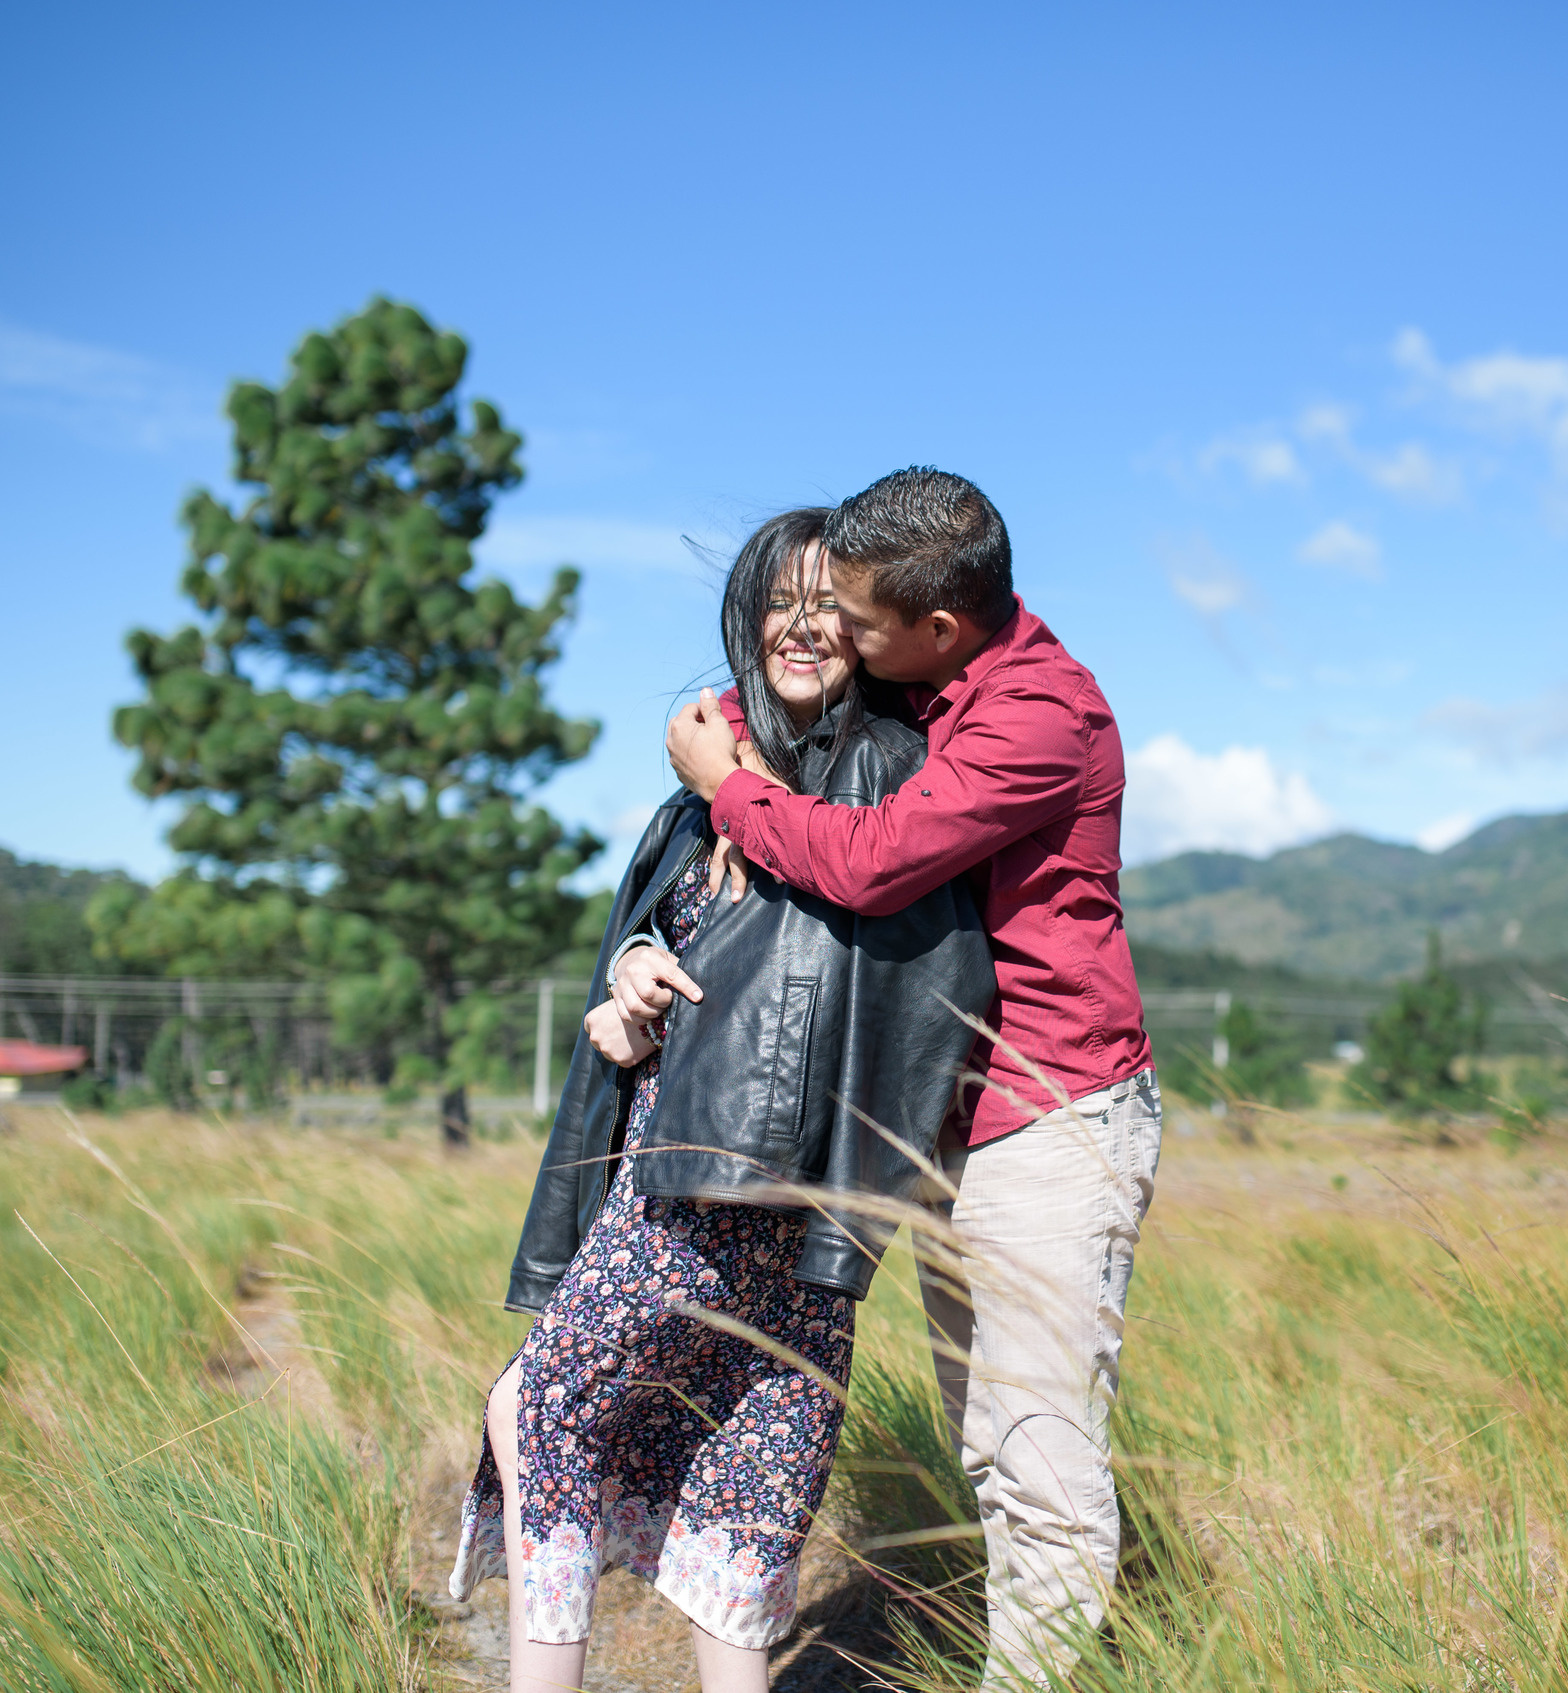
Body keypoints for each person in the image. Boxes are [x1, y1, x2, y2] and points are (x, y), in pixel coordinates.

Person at [449, 508, 994, 1693]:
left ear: (869, 628)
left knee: (539, 1410)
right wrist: (628, 981)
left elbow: (905, 979)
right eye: (779, 599)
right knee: (748, 1479)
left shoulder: (878, 773)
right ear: (750, 616)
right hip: (704, 1180)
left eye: (830, 605)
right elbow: (679, 980)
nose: (804, 624)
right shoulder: (696, 799)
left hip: (723, 1191)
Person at [649, 466, 1159, 1684]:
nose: (841, 634)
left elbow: (874, 860)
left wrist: (729, 786)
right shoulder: (929, 664)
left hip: (1048, 1124)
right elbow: (791, 688)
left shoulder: (1040, 715)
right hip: (946, 1120)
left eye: (861, 618)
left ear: (936, 625)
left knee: (1038, 1461)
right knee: (987, 1445)